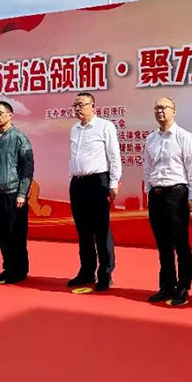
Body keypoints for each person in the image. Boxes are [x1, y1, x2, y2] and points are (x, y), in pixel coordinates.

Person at [143, 97, 192, 306]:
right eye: (156, 108)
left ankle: (183, 287)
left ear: (173, 111)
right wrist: (148, 191)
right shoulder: (151, 138)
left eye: (164, 108)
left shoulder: (183, 136)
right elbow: (147, 167)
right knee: (163, 243)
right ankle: (167, 286)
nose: (160, 111)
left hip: (176, 194)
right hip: (156, 194)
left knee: (180, 242)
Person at [67, 92, 122, 291]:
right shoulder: (74, 129)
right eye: (75, 105)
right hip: (78, 183)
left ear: (93, 106)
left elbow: (114, 156)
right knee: (83, 230)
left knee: (101, 229)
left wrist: (113, 183)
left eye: (82, 104)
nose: (78, 108)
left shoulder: (105, 126)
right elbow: (74, 157)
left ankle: (105, 274)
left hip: (98, 182)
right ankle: (86, 271)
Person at [0, 101, 34, 285]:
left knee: (16, 233)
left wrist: (22, 193)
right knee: (1, 233)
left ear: (10, 115)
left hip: (13, 193)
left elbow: (27, 168)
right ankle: (8, 268)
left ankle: (19, 270)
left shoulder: (19, 138)